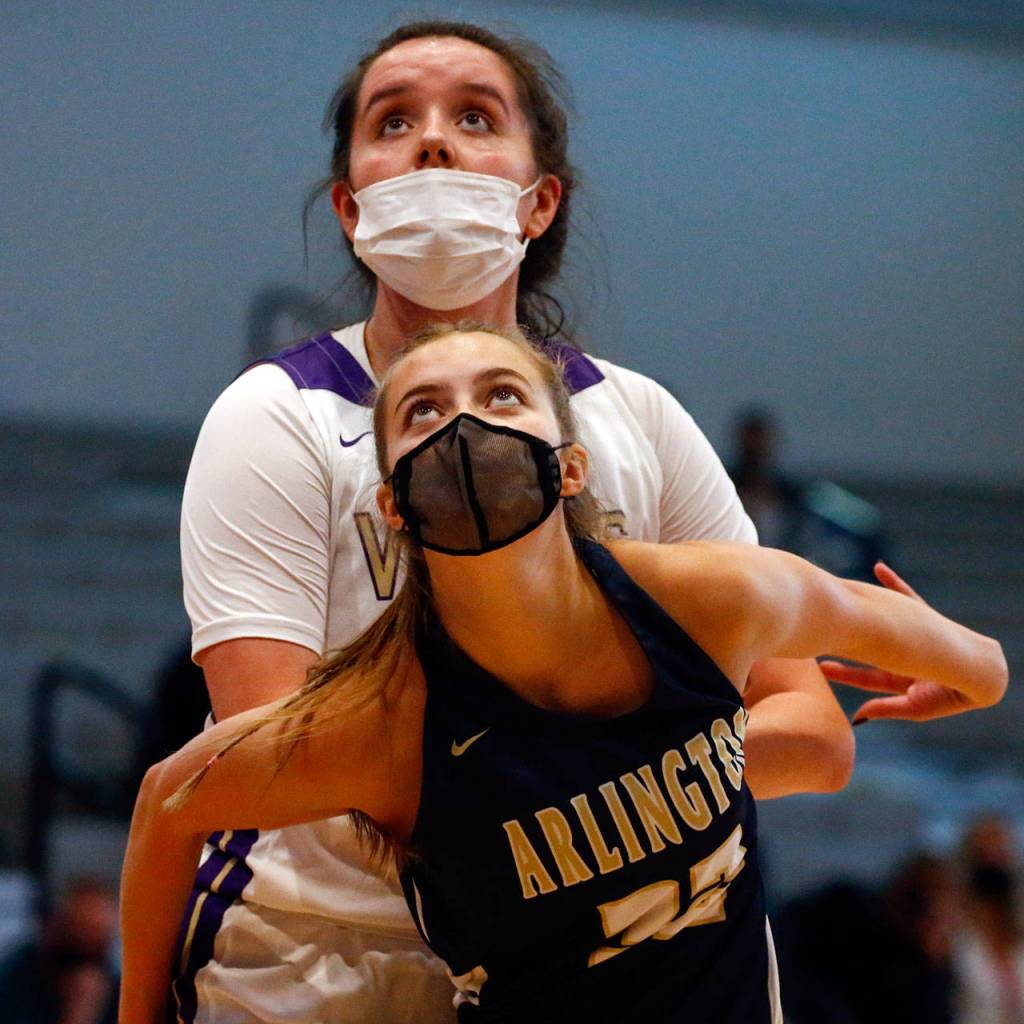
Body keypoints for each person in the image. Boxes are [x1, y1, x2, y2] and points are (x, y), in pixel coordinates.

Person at [176, 18, 938, 1021]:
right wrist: (616, 790)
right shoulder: (277, 416)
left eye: (474, 117)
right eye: (393, 120)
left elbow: (809, 730)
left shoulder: (641, 417)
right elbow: (271, 764)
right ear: (350, 207)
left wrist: (581, 816)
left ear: (540, 201)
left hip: (611, 956)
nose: (432, 140)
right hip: (328, 956)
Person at [124, 324, 1007, 1023]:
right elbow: (169, 801)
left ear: (573, 464)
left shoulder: (710, 597)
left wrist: (963, 675)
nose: (465, 424)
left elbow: (984, 665)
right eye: (424, 410)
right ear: (391, 505)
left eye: (501, 394)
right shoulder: (386, 720)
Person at [0, 878, 119, 1024]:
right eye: (82, 929)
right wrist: (78, 1015)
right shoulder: (16, 980)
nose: (90, 945)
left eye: (101, 934)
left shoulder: (113, 986)